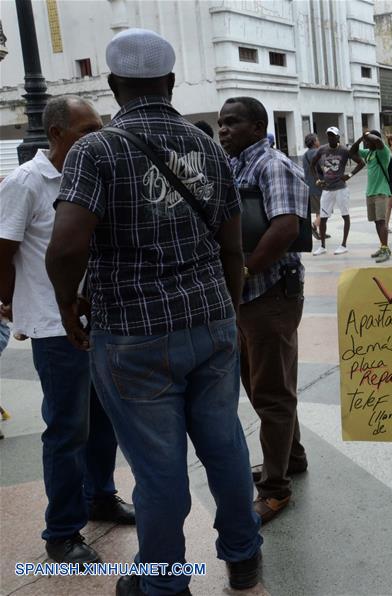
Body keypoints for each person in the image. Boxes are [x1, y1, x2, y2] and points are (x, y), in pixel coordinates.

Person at [45, 29, 262, 594]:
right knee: (227, 446)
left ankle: (163, 582)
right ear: (168, 83)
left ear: (115, 86)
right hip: (210, 321)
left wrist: (68, 305)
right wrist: (228, 311)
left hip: (134, 337)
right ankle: (243, 557)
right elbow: (232, 247)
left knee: (159, 469)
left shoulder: (96, 150)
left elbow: (66, 247)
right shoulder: (210, 147)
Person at [0, 95, 136, 566]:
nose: (97, 136)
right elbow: (3, 251)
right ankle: (61, 532)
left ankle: (100, 496)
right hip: (56, 328)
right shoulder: (26, 182)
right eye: (86, 130)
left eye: (101, 127)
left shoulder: (92, 175)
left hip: (100, 319)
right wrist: (12, 305)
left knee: (103, 420)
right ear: (56, 134)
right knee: (66, 428)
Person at [217, 95, 310, 523]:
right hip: (247, 297)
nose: (223, 131)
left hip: (270, 294)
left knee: (271, 392)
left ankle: (275, 489)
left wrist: (248, 270)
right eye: (220, 124)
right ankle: (291, 457)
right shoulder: (237, 165)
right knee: (259, 386)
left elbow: (286, 226)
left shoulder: (272, 165)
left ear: (257, 127)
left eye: (232, 123)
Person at [310, 126, 363, 255]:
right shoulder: (322, 149)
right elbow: (312, 165)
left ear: (338, 137)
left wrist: (349, 175)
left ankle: (344, 245)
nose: (330, 138)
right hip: (327, 189)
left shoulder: (344, 150)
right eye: (329, 135)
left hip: (341, 189)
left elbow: (361, 163)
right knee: (323, 218)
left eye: (333, 135)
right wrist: (317, 180)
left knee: (345, 215)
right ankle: (322, 246)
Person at [349, 130, 392, 262]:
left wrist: (367, 135)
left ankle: (385, 249)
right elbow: (351, 152)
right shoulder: (369, 153)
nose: (366, 143)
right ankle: (383, 247)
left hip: (381, 191)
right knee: (376, 221)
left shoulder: (383, 152)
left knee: (381, 221)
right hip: (370, 192)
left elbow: (379, 141)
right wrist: (361, 138)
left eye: (368, 141)